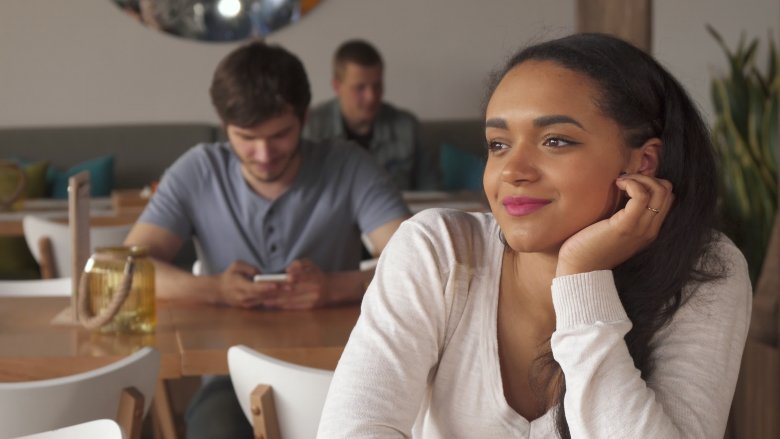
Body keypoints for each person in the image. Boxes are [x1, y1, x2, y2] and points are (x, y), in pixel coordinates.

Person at [317, 33, 752, 438]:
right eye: (498, 145)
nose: (513, 172)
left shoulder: (706, 270)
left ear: (643, 163)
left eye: (555, 141)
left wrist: (582, 278)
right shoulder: (437, 251)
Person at [124, 40, 410, 438]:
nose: (262, 154)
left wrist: (334, 287)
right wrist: (215, 290)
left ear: (305, 118)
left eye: (279, 135)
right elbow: (128, 268)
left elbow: (414, 263)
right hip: (227, 377)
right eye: (245, 137)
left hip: (342, 368)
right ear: (224, 127)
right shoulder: (198, 170)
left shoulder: (349, 166)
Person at [303, 39, 437, 191]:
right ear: (337, 86)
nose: (371, 96)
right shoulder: (310, 127)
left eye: (377, 86)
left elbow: (433, 193)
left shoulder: (408, 127)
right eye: (360, 88)